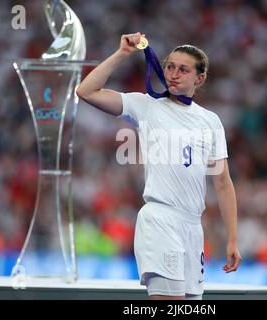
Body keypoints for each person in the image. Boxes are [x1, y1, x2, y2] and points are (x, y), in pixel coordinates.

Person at [76, 32, 241, 300]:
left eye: (183, 69)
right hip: (160, 220)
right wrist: (122, 53)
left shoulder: (210, 121)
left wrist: (232, 238)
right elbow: (86, 91)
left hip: (192, 226)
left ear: (200, 78)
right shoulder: (147, 105)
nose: (174, 74)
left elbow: (222, 182)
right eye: (170, 66)